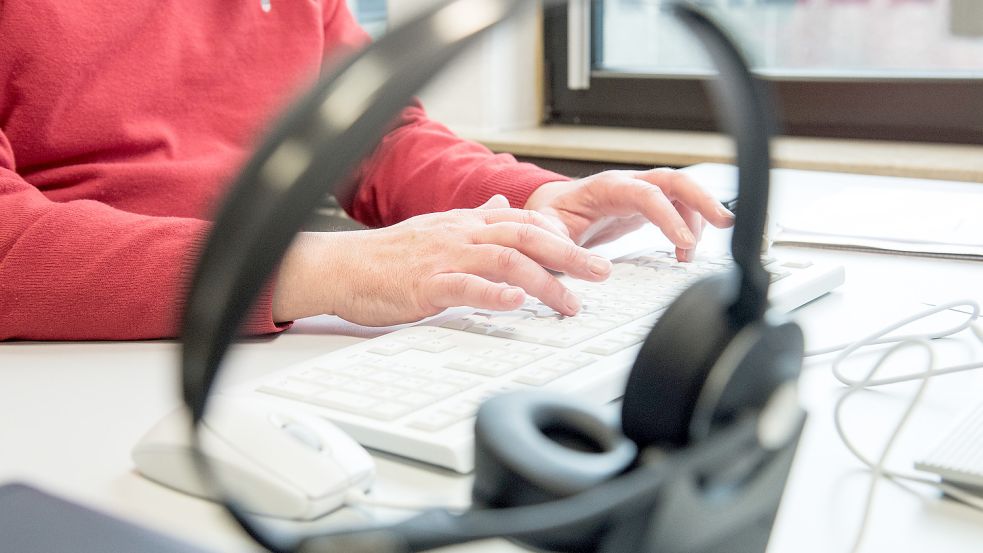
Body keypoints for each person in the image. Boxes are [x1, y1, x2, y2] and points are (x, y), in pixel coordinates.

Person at [0, 0, 733, 342]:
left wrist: (532, 197)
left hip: (261, 330)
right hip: (73, 353)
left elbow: (375, 135)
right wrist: (330, 270)